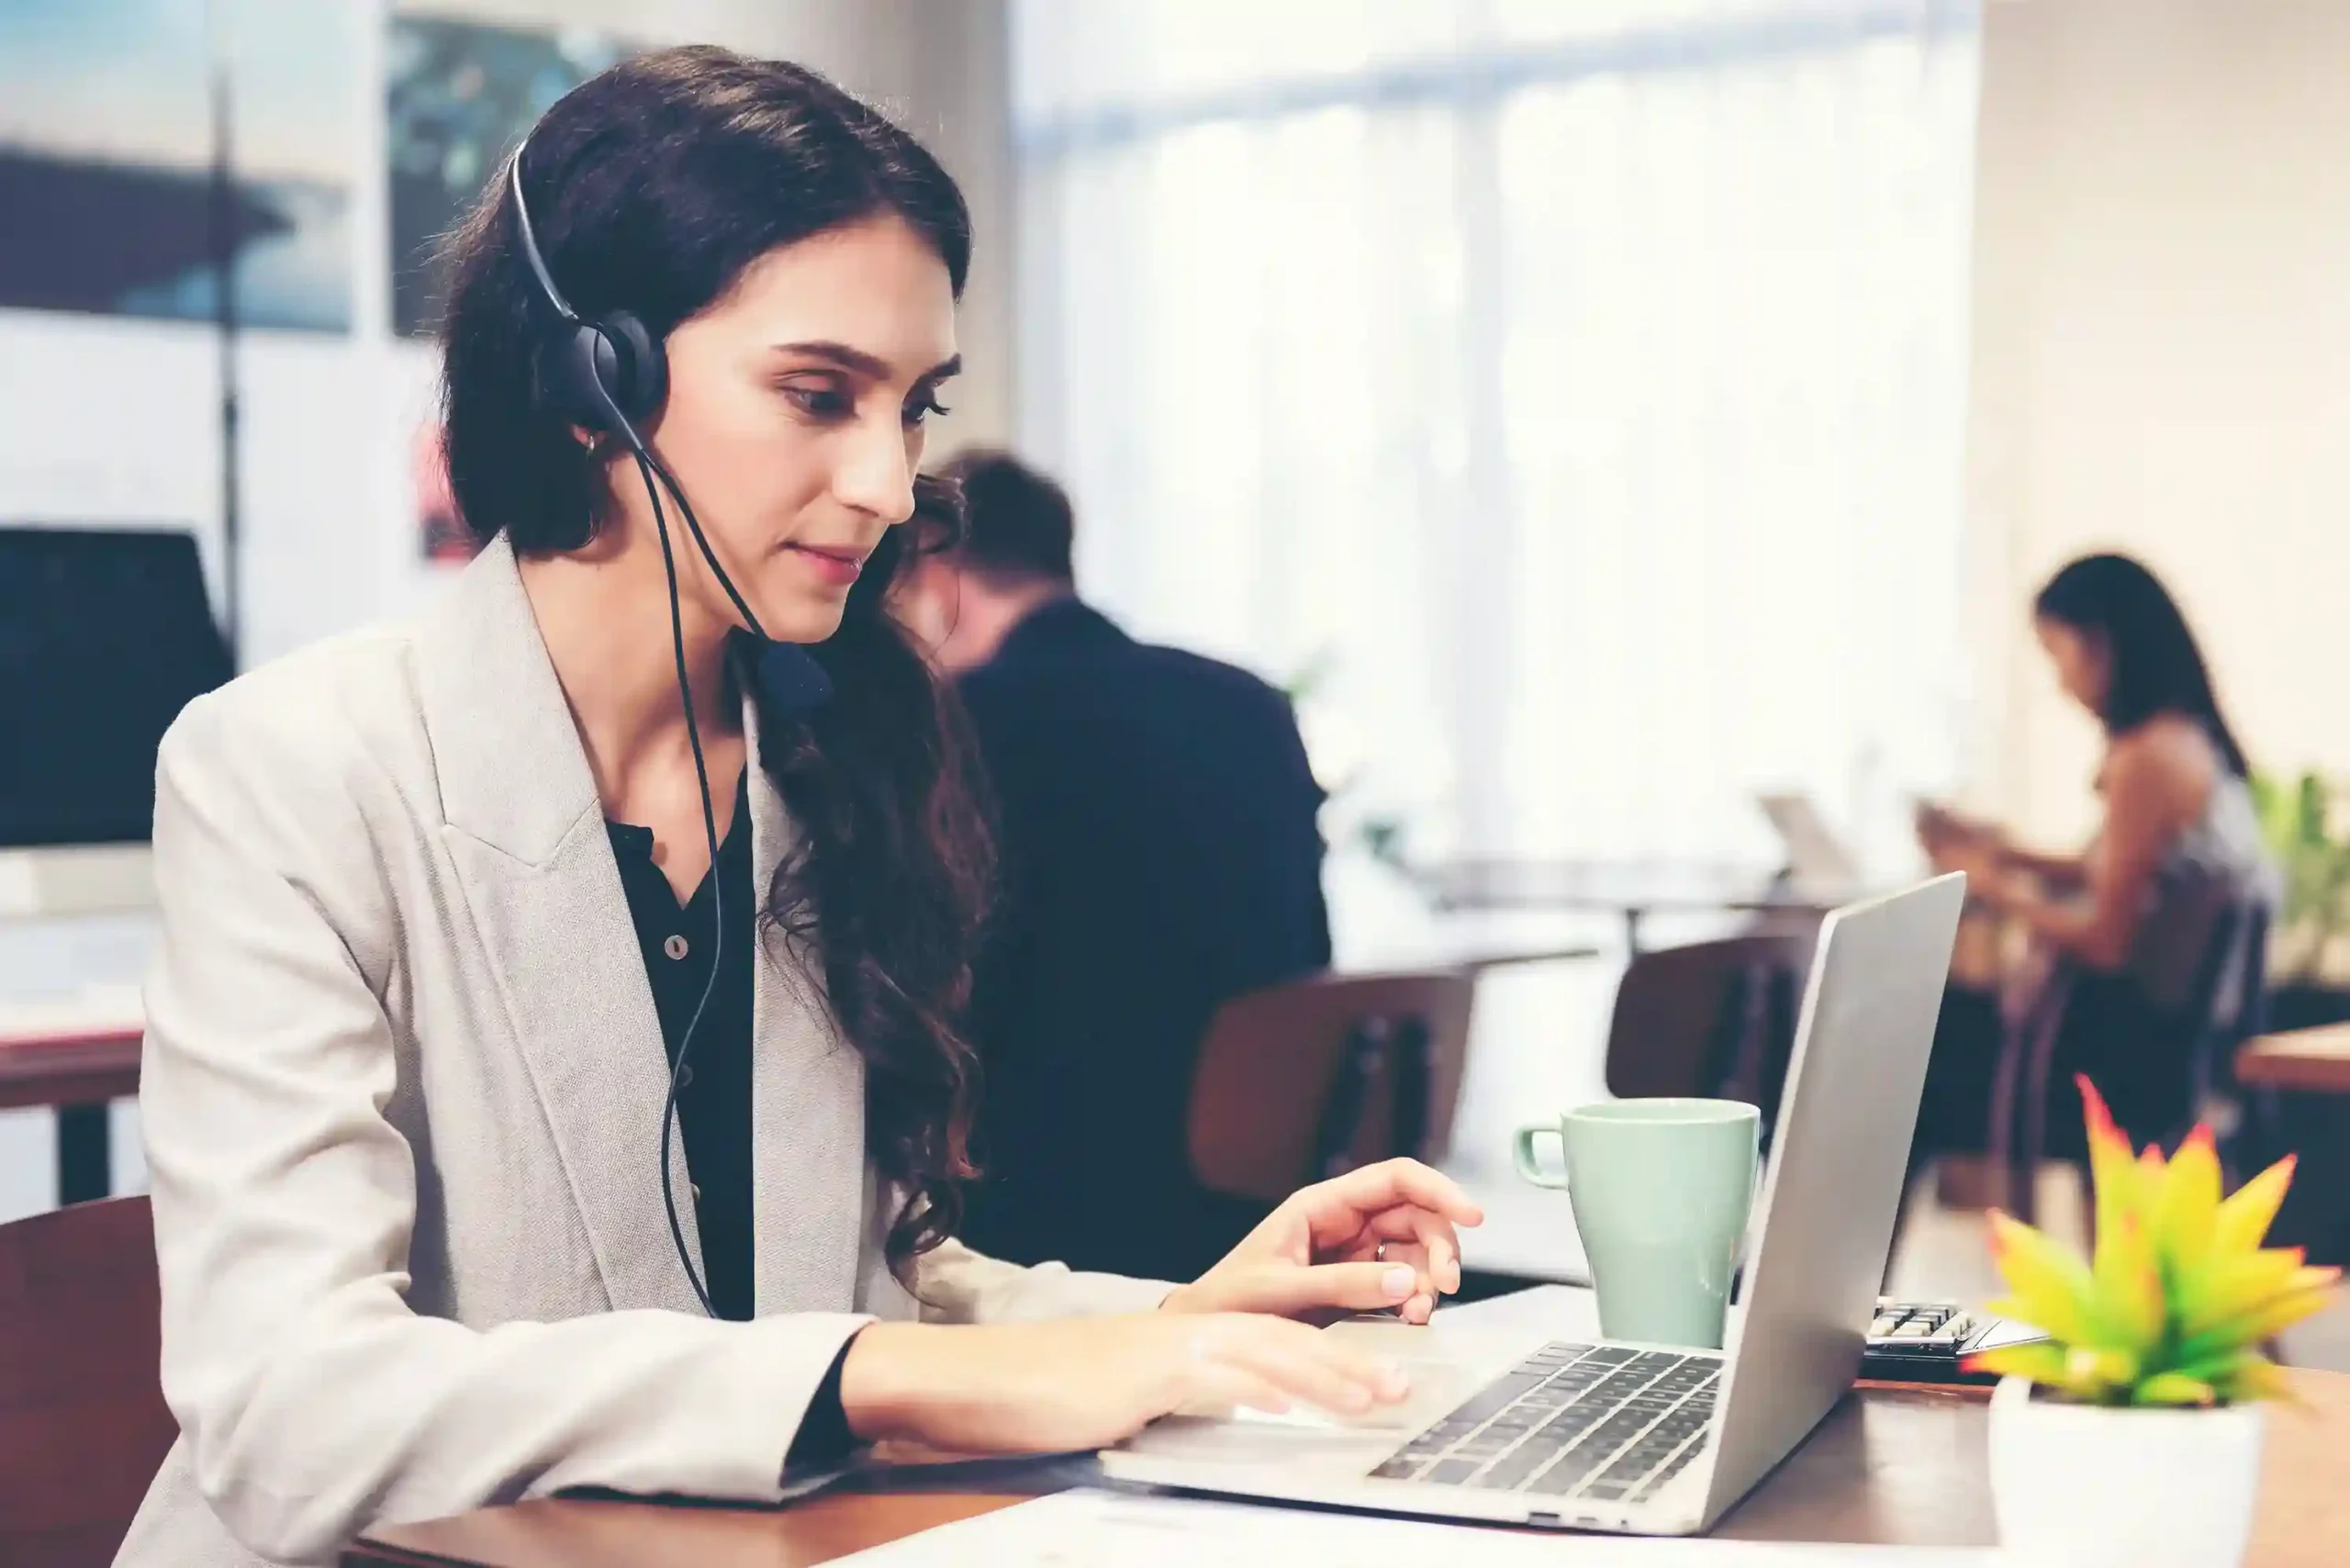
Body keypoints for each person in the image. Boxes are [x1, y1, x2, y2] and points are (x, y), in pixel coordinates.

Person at [117, 51, 1477, 1568]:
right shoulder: (293, 763)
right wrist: (909, 1370)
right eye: (820, 395)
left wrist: (1180, 1321)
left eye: (914, 409)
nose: (893, 484)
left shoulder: (823, 764)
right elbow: (289, 1406)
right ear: (593, 385)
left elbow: (867, 1285)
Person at [895, 451, 1334, 1282]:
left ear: (936, 563)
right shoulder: (1248, 703)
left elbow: (933, 988)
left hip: (1045, 1214)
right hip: (1255, 1204)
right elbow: (1308, 947)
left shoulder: (963, 719)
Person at [1914, 553, 2278, 1161]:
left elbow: (2107, 939)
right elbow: (2116, 871)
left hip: (2128, 1062)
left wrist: (1992, 885)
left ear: (2103, 646)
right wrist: (2006, 852)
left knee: (1917, 1044)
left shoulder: (2146, 761)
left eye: (2060, 656)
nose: (2061, 684)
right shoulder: (2188, 741)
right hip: (2172, 1051)